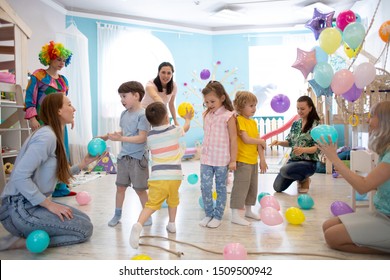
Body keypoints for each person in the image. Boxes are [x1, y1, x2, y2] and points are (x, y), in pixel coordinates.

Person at [0, 93, 97, 251]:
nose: (74, 109)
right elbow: (19, 176)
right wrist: (48, 205)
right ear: (58, 111)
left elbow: (52, 177)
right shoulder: (47, 137)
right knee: (83, 229)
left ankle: (27, 233)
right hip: (19, 208)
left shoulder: (53, 135)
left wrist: (83, 164)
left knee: (84, 219)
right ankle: (20, 241)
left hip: (28, 204)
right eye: (69, 104)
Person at [319, 101, 390, 254]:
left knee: (332, 237)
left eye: (371, 116)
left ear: (385, 121)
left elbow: (363, 187)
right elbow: (374, 184)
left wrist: (335, 159)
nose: (367, 120)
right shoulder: (386, 151)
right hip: (382, 214)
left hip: (387, 219)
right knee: (327, 226)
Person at [129, 102, 193, 249]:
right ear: (166, 116)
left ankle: (138, 225)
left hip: (158, 177)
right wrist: (187, 119)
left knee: (151, 205)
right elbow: (185, 128)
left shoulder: (150, 136)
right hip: (175, 176)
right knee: (173, 199)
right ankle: (172, 224)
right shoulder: (174, 130)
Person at [24, 41, 74, 197]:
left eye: (64, 60)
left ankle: (60, 187)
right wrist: (32, 118)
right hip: (43, 119)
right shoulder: (39, 75)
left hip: (60, 122)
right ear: (49, 57)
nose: (61, 63)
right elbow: (29, 97)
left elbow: (65, 102)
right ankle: (41, 186)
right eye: (58, 59)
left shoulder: (63, 80)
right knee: (44, 152)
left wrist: (70, 117)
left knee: (61, 152)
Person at [98, 81, 151, 227]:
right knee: (120, 187)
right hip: (123, 158)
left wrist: (121, 138)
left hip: (138, 159)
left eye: (124, 96)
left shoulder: (143, 115)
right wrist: (108, 136)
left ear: (136, 95)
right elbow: (124, 133)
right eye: (120, 97)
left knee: (140, 190)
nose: (121, 100)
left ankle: (147, 216)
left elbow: (142, 137)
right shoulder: (124, 114)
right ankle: (117, 214)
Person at [199, 80, 237, 228]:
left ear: (222, 98)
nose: (209, 104)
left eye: (212, 101)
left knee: (221, 188)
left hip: (222, 159)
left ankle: (218, 216)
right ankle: (208, 214)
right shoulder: (207, 114)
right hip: (206, 158)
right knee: (205, 187)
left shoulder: (229, 116)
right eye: (207, 102)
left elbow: (234, 139)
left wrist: (233, 160)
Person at [230, 91, 268, 226]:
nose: (254, 108)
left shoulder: (252, 123)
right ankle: (235, 214)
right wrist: (261, 141)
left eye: (255, 105)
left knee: (252, 187)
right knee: (240, 187)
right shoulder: (239, 120)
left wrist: (262, 159)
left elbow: (258, 142)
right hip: (242, 160)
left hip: (253, 161)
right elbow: (246, 139)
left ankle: (248, 211)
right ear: (240, 106)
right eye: (251, 106)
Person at [269, 95, 320, 194]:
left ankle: (304, 179)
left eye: (302, 109)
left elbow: (316, 148)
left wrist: (303, 150)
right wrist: (279, 142)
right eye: (298, 108)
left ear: (310, 108)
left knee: (284, 170)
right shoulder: (296, 124)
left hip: (308, 163)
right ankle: (298, 176)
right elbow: (290, 142)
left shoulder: (316, 125)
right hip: (293, 161)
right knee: (277, 188)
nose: (299, 111)